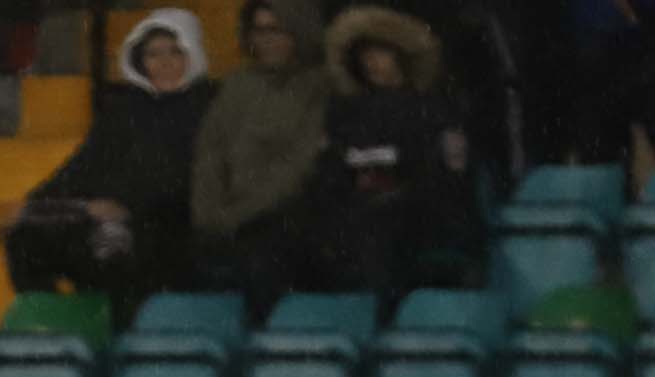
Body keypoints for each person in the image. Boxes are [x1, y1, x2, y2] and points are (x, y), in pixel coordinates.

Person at [2, 8, 216, 315]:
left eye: (175, 52)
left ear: (192, 54)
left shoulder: (209, 109)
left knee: (116, 251)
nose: (165, 63)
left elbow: (189, 179)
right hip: (105, 220)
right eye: (154, 54)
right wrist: (34, 204)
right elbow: (81, 167)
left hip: (170, 227)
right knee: (24, 237)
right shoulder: (124, 111)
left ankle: (121, 341)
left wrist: (125, 206)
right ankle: (57, 329)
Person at [309, 6, 483, 303]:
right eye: (366, 55)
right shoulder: (345, 113)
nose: (372, 63)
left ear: (401, 54)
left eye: (381, 53)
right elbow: (330, 170)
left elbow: (449, 179)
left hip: (421, 220)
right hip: (356, 216)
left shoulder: (434, 109)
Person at [190, 0, 328, 314]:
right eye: (260, 30)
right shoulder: (237, 84)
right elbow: (210, 153)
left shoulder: (320, 86)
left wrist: (236, 216)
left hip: (284, 220)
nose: (267, 39)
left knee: (262, 264)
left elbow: (298, 166)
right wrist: (208, 215)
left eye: (277, 30)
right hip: (223, 221)